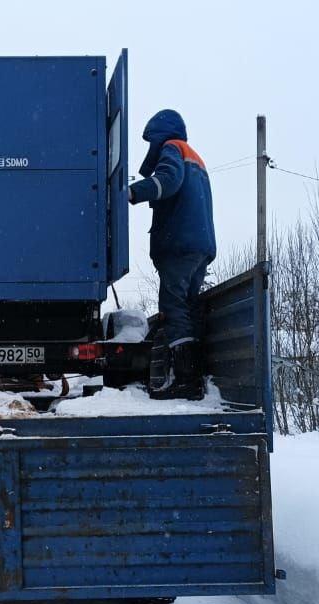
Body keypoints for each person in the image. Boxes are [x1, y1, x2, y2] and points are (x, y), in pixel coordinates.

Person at [128, 109, 216, 400]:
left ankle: (187, 381)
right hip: (199, 247)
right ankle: (194, 379)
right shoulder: (196, 158)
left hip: (180, 245)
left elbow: (168, 181)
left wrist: (131, 193)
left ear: (159, 133)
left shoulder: (172, 148)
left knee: (173, 305)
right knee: (187, 308)